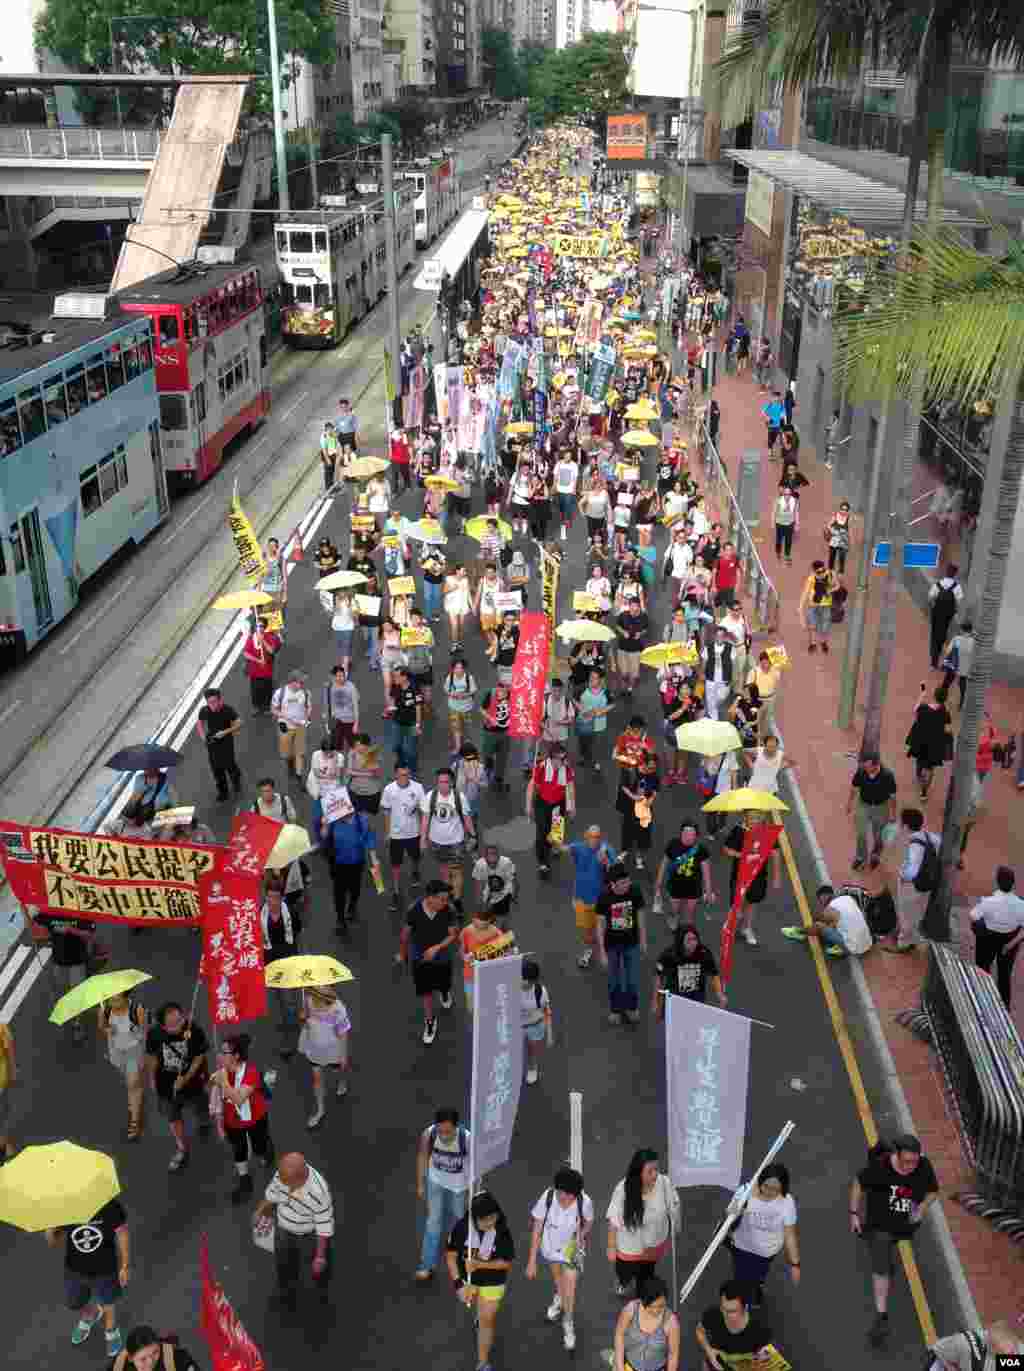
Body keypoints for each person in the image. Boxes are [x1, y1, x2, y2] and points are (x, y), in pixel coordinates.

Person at [850, 1134, 940, 1346]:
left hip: (905, 1226)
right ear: (895, 1155)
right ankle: (881, 1314)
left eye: (914, 1161)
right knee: (881, 1262)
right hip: (879, 1226)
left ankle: (887, 1263)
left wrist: (922, 1208)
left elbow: (933, 1191)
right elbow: (857, 1183)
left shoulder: (924, 1167)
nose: (911, 1166)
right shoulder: (880, 1168)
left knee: (889, 1249)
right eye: (906, 1161)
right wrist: (853, 1213)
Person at [47, 1195, 129, 1357]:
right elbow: (55, 1243)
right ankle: (91, 1313)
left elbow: (122, 1233)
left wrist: (125, 1265)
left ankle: (111, 1330)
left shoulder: (111, 1207)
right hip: (74, 1270)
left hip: (106, 1269)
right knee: (74, 1302)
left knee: (108, 1302)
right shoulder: (64, 1207)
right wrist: (50, 1233)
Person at [525, 1166, 594, 1352]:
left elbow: (589, 1222)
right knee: (559, 1283)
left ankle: (568, 1321)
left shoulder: (584, 1202)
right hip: (550, 1249)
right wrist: (532, 1261)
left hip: (571, 1251)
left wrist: (581, 1236)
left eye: (571, 1195)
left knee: (570, 1285)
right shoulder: (547, 1197)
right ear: (556, 1189)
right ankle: (559, 1298)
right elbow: (537, 1229)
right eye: (562, 1193)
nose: (566, 1199)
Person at [255, 1152, 335, 1309]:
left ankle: (322, 1289)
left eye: (288, 1183)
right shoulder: (284, 1174)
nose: (283, 1184)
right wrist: (260, 1211)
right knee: (284, 1262)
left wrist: (320, 1256)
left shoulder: (319, 1192)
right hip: (284, 1229)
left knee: (319, 1266)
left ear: (301, 1178)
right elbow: (272, 1193)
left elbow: (324, 1226)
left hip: (309, 1234)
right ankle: (286, 1291)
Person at [446, 1192, 516, 1371]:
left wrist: (480, 1264)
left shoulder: (501, 1230)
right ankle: (479, 1311)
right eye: (485, 1220)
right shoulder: (461, 1228)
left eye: (493, 1217)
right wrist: (458, 1285)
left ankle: (482, 1362)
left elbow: (506, 1264)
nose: (490, 1223)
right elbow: (451, 1256)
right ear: (474, 1219)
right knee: (477, 1303)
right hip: (468, 1279)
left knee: (487, 1318)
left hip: (493, 1280)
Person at [145, 1001, 209, 1172]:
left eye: (181, 1020)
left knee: (200, 1102)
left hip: (193, 1081)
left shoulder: (193, 1029)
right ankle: (182, 1147)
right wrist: (151, 1078)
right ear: (163, 1026)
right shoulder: (154, 1034)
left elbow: (199, 1057)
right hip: (166, 1085)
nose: (180, 1025)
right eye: (173, 1024)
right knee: (173, 1117)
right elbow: (152, 1057)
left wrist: (186, 1077)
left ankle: (204, 1117)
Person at [606, 1149, 680, 1296]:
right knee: (624, 1270)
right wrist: (611, 1246)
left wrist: (676, 1226)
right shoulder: (623, 1189)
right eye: (650, 1171)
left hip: (654, 1242)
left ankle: (642, 1293)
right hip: (630, 1246)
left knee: (647, 1272)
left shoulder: (664, 1183)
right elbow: (614, 1219)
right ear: (638, 1172)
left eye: (656, 1169)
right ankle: (624, 1281)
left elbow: (675, 1206)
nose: (655, 1175)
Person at [210, 1033, 273, 1204]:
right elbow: (216, 1101)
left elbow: (238, 1099)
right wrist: (219, 1124)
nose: (219, 1056)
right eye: (220, 1052)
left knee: (259, 1146)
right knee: (239, 1149)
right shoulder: (220, 1074)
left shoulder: (250, 1073)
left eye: (224, 1053)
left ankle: (266, 1150)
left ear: (236, 1056)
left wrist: (224, 1082)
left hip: (255, 1119)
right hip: (233, 1122)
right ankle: (244, 1180)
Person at [727, 1164, 800, 1307]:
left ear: (783, 1188)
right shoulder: (745, 1192)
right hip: (742, 1247)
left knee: (759, 1275)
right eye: (766, 1186)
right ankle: (743, 1303)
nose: (769, 1192)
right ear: (760, 1181)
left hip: (767, 1252)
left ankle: (756, 1285)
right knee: (741, 1278)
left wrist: (795, 1264)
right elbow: (730, 1214)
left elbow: (789, 1235)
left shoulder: (786, 1202)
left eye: (775, 1189)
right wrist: (739, 1207)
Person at [397, 879, 457, 1045]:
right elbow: (404, 935)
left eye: (447, 899)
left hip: (442, 955)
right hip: (420, 957)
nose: (445, 902)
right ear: (430, 898)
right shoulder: (413, 911)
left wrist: (436, 948)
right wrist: (403, 954)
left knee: (444, 984)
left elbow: (452, 935)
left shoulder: (448, 910)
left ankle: (445, 992)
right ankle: (430, 1021)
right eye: (442, 899)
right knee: (426, 991)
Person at [416, 1108, 472, 1282]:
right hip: (436, 1182)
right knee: (433, 1221)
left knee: (458, 1222)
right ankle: (427, 1265)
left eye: (448, 1132)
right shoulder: (429, 1134)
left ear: (456, 1127)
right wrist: (420, 1183)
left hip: (458, 1186)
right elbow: (423, 1157)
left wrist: (473, 1193)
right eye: (440, 1131)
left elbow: (473, 1167)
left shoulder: (467, 1139)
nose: (444, 1136)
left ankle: (460, 1263)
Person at [315, 791, 381, 937]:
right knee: (339, 892)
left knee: (355, 888)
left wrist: (374, 861)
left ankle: (352, 906)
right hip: (338, 864)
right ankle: (340, 919)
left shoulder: (361, 821)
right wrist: (324, 826)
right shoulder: (333, 820)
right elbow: (324, 836)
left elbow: (369, 840)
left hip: (357, 863)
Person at [597, 864, 647, 1025]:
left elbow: (640, 917)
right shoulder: (604, 897)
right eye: (623, 883)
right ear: (613, 884)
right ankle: (616, 1010)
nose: (627, 885)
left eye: (628, 881)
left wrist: (643, 939)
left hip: (631, 943)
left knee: (632, 979)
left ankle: (632, 1008)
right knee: (614, 980)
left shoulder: (635, 891)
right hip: (612, 945)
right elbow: (600, 926)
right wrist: (602, 952)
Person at [721, 813, 782, 946]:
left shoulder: (767, 832)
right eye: (752, 818)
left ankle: (746, 928)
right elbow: (726, 849)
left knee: (752, 902)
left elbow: (775, 852)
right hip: (739, 874)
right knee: (738, 900)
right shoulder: (738, 830)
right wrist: (742, 855)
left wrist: (777, 877)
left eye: (758, 818)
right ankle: (731, 925)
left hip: (759, 875)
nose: (755, 821)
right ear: (746, 819)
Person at [969, 865, 1024, 1009]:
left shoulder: (988, 902)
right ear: (1013, 884)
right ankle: (1004, 1006)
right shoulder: (1021, 905)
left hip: (988, 940)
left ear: (997, 882)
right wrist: (1011, 944)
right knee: (1004, 975)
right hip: (1009, 941)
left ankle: (981, 1000)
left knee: (983, 969)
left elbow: (973, 916)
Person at [885, 807, 940, 954]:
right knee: (918, 913)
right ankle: (914, 938)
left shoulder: (915, 844)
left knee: (906, 913)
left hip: (912, 886)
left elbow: (913, 869)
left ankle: (904, 943)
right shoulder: (929, 836)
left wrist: (904, 876)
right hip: (928, 882)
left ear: (907, 825)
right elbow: (940, 844)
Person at [297, 986, 351, 1129]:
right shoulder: (308, 1001)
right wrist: (303, 1019)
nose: (322, 988)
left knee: (339, 1070)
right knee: (317, 1078)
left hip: (333, 1050)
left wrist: (343, 1055)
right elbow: (305, 1020)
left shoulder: (337, 1008)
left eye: (325, 986)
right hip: (314, 1048)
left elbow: (343, 1033)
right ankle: (320, 1110)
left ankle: (342, 1081)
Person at [98, 991, 148, 1141]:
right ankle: (135, 1095)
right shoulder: (104, 1010)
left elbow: (145, 1031)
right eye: (111, 1000)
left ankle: (135, 1122)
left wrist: (136, 1031)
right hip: (116, 1051)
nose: (113, 1004)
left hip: (134, 1051)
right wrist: (108, 1030)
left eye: (117, 1000)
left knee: (132, 1084)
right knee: (129, 1080)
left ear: (126, 999)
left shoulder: (137, 1010)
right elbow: (101, 1026)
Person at [421, 766, 475, 905]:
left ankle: (456, 900)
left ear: (451, 783)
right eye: (439, 782)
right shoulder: (430, 797)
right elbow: (425, 819)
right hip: (436, 842)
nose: (442, 785)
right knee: (444, 871)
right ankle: (447, 898)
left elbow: (467, 818)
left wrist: (473, 836)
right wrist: (423, 839)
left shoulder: (459, 797)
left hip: (456, 842)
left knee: (456, 871)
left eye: (445, 782)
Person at [695, 1281, 775, 1369]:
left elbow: (765, 1354)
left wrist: (762, 1358)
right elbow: (699, 1331)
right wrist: (708, 1350)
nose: (725, 1314)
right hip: (716, 1365)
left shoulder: (760, 1326)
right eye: (723, 1308)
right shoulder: (713, 1314)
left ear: (745, 1307)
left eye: (732, 1311)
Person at [781, 883, 873, 957]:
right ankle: (845, 943)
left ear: (824, 897)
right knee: (840, 923)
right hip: (868, 942)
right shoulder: (848, 898)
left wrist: (819, 921)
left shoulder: (830, 908)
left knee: (819, 926)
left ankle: (798, 932)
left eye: (820, 900)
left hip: (857, 950)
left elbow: (819, 923)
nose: (821, 903)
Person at [526, 742, 576, 876]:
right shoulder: (541, 768)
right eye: (561, 758)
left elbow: (570, 787)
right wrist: (528, 805)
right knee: (542, 832)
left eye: (564, 757)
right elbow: (531, 786)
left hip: (559, 803)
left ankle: (555, 845)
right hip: (542, 803)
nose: (564, 761)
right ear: (552, 758)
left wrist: (571, 807)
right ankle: (543, 862)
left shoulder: (566, 769)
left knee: (556, 830)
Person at [381, 763, 426, 911]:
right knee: (395, 865)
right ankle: (395, 892)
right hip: (396, 835)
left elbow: (423, 811)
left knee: (415, 858)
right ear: (395, 775)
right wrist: (387, 832)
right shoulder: (389, 789)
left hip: (414, 833)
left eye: (406, 775)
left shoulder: (418, 788)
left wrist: (423, 833)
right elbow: (386, 812)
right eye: (401, 775)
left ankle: (415, 871)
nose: (404, 778)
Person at [653, 923, 725, 1015]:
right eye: (688, 940)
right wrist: (655, 1000)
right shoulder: (669, 955)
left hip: (696, 1001)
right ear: (681, 941)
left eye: (695, 939)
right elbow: (658, 976)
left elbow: (714, 974)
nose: (693, 943)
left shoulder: (704, 953)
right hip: (675, 1000)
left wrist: (719, 994)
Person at [613, 1276, 681, 1371]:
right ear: (642, 1301)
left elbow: (673, 1354)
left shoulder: (671, 1322)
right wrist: (620, 1368)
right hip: (629, 1367)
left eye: (661, 1306)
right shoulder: (631, 1310)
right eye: (650, 1306)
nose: (656, 1311)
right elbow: (619, 1335)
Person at [846, 752, 898, 871]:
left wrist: (893, 814)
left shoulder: (888, 775)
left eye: (867, 766)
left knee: (878, 835)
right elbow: (854, 788)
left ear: (876, 765)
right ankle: (860, 857)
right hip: (863, 805)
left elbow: (893, 797)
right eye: (864, 765)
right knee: (861, 832)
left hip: (881, 807)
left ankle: (875, 856)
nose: (865, 768)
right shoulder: (861, 771)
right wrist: (849, 803)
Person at [906, 685, 953, 798]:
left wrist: (922, 694)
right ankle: (924, 791)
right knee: (930, 768)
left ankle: (919, 774)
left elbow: (915, 710)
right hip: (935, 745)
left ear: (934, 695)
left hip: (921, 741)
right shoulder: (945, 713)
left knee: (920, 760)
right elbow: (947, 728)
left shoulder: (923, 708)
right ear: (945, 699)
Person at [196, 687, 242, 801]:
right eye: (209, 702)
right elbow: (199, 723)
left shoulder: (227, 710)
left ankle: (236, 780)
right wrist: (202, 737)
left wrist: (225, 732)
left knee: (229, 765)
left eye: (214, 702)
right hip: (212, 742)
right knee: (216, 768)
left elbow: (240, 723)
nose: (212, 705)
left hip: (226, 741)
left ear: (220, 700)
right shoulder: (204, 710)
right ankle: (223, 792)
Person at [928, 1319, 1024, 1371]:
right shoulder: (965, 1344)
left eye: (1012, 1351)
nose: (1011, 1355)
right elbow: (937, 1350)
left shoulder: (1016, 1353)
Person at [272, 669, 312, 780]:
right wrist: (286, 717)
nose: (302, 684)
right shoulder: (280, 693)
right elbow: (274, 709)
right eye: (301, 682)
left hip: (300, 726)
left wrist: (307, 716)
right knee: (287, 753)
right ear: (292, 681)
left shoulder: (305, 693)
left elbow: (308, 706)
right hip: (285, 727)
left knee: (299, 752)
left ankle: (298, 775)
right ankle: (290, 763)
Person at [112, 1325, 200, 1371]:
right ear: (130, 1358)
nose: (150, 1362)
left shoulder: (177, 1357)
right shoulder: (118, 1367)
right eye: (143, 1359)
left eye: (155, 1352)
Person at [797, 560, 837, 653]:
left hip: (826, 605)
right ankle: (813, 644)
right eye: (819, 572)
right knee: (813, 626)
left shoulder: (830, 574)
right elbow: (805, 593)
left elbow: (837, 586)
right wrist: (800, 607)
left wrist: (829, 590)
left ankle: (823, 642)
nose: (822, 573)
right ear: (814, 572)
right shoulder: (811, 579)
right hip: (813, 605)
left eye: (823, 570)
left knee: (825, 626)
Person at [243, 619, 280, 716]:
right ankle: (257, 707)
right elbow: (246, 653)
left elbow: (271, 651)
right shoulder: (251, 638)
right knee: (255, 690)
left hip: (266, 671)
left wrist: (262, 640)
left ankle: (268, 707)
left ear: (265, 627)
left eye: (262, 626)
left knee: (267, 689)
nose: (259, 628)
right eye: (258, 626)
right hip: (254, 671)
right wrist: (258, 660)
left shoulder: (270, 637)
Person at [928, 564, 963, 670]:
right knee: (945, 636)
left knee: (935, 636)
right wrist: (955, 612)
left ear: (946, 572)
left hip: (936, 614)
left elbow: (930, 598)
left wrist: (934, 607)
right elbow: (959, 601)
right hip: (948, 616)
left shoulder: (938, 584)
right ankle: (945, 660)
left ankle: (934, 661)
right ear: (955, 574)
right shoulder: (957, 587)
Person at [473, 844, 518, 923]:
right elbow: (478, 885)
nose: (492, 866)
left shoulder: (506, 863)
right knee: (486, 917)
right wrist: (480, 902)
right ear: (485, 858)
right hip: (487, 892)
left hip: (504, 892)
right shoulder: (480, 865)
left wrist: (514, 897)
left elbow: (513, 881)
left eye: (494, 863)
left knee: (501, 918)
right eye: (490, 864)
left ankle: (501, 928)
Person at [322, 664, 360, 755]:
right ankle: (338, 766)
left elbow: (355, 705)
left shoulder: (351, 686)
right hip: (336, 720)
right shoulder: (329, 687)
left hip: (349, 720)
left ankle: (354, 766)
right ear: (334, 677)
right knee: (336, 748)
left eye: (343, 675)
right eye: (338, 676)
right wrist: (327, 722)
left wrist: (356, 723)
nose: (341, 678)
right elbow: (326, 705)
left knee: (353, 745)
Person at [0, 1018, 15, 1161]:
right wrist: (12, 1073)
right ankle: (3, 1146)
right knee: (3, 1113)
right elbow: (9, 1051)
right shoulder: (1, 1029)